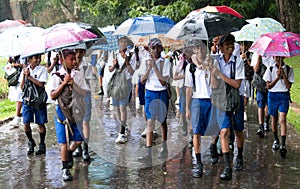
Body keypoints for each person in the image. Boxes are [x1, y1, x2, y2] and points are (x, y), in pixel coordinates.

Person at [48, 49, 88, 181]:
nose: (74, 61)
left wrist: (73, 84)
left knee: (78, 140)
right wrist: (64, 83)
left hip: (76, 111)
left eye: (74, 59)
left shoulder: (78, 75)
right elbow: (53, 95)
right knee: (63, 141)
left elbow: (84, 93)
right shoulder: (56, 76)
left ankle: (69, 153)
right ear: (62, 60)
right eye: (71, 59)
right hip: (62, 112)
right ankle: (65, 169)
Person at [210, 34, 245, 180]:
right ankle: (227, 167)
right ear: (220, 47)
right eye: (227, 43)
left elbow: (237, 84)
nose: (230, 45)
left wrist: (220, 75)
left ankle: (240, 156)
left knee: (237, 130)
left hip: (236, 100)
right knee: (224, 131)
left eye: (232, 43)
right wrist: (212, 73)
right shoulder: (215, 62)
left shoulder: (238, 62)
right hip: (221, 100)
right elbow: (214, 85)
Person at [138, 38, 171, 165]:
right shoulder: (145, 62)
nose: (156, 50)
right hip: (150, 93)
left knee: (162, 120)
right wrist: (148, 68)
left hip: (162, 92)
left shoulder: (166, 62)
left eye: (158, 47)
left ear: (162, 49)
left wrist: (155, 67)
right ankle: (148, 153)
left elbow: (163, 81)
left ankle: (164, 145)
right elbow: (142, 81)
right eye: (153, 48)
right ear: (149, 50)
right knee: (150, 121)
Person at [185, 42, 211, 178]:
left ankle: (213, 147)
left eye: (202, 47)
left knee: (213, 130)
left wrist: (210, 69)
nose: (200, 50)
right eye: (197, 48)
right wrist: (187, 107)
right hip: (197, 100)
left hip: (211, 100)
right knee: (197, 132)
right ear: (194, 50)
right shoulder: (191, 68)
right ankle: (199, 163)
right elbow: (189, 88)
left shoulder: (212, 63)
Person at [263, 56, 294, 158]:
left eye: (280, 56)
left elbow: (288, 86)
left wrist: (283, 74)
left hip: (284, 95)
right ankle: (276, 139)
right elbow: (268, 86)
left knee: (282, 119)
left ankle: (283, 144)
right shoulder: (270, 68)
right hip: (273, 96)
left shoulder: (289, 69)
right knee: (274, 118)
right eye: (276, 56)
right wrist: (277, 77)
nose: (278, 58)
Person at [19, 53, 48, 155]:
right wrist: (24, 75)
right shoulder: (25, 70)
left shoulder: (42, 70)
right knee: (26, 123)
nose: (37, 60)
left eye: (39, 58)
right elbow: (22, 87)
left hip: (39, 101)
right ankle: (31, 141)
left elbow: (41, 84)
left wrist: (30, 77)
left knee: (40, 123)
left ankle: (42, 143)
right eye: (35, 58)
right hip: (27, 100)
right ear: (30, 59)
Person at [108, 36, 136, 144]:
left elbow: (132, 72)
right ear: (118, 43)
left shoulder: (131, 54)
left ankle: (122, 132)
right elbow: (110, 69)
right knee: (117, 108)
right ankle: (123, 124)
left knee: (123, 107)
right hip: (116, 83)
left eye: (125, 41)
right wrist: (114, 65)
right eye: (121, 41)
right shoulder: (114, 54)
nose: (123, 43)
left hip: (126, 82)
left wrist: (127, 61)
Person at [71, 43, 93, 161]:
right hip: (73, 96)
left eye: (81, 51)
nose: (78, 54)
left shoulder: (86, 66)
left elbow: (88, 84)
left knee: (85, 122)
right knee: (76, 121)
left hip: (84, 95)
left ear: (84, 53)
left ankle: (85, 148)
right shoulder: (70, 65)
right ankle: (77, 145)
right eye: (76, 51)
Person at [252, 54, 269, 138]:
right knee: (260, 105)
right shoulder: (256, 55)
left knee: (268, 105)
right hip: (260, 85)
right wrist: (258, 58)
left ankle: (266, 121)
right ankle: (261, 125)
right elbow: (255, 70)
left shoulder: (273, 54)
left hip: (270, 84)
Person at [7, 56, 23, 128]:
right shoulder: (12, 55)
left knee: (19, 98)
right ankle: (19, 117)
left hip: (22, 78)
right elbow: (8, 64)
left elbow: (25, 65)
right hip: (15, 78)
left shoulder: (23, 55)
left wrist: (18, 65)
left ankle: (18, 117)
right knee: (18, 98)